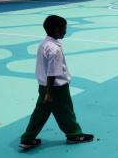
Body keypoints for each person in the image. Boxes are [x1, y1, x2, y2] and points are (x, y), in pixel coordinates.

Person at [19, 15, 94, 150]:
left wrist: (45, 91)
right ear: (57, 30)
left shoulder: (44, 44)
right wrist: (49, 93)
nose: (66, 31)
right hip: (56, 88)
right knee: (66, 111)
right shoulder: (55, 49)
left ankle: (27, 139)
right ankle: (74, 135)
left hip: (43, 86)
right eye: (64, 29)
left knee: (40, 113)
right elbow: (52, 73)